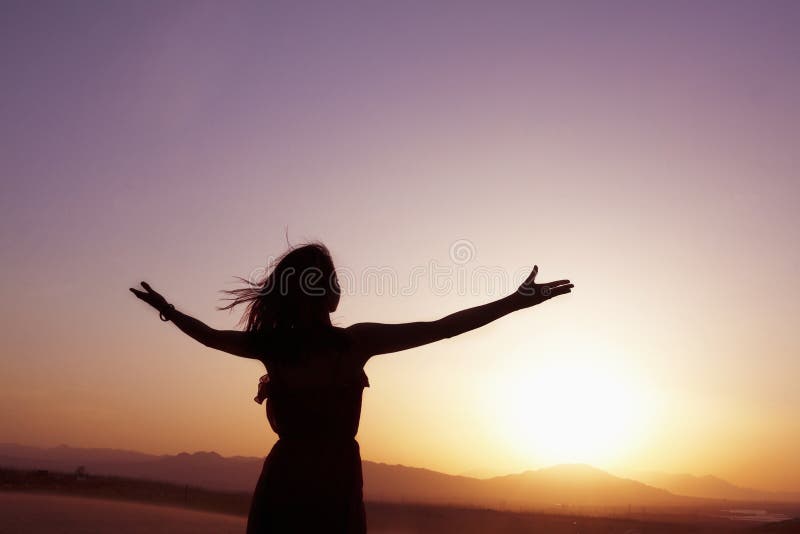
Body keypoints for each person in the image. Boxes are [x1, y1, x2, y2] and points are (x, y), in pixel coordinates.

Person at [129, 242, 573, 533]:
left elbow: (442, 328)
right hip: (304, 489)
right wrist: (515, 302)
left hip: (325, 488)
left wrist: (515, 302)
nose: (339, 286)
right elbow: (442, 328)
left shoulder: (309, 345)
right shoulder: (344, 343)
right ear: (320, 293)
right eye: (331, 279)